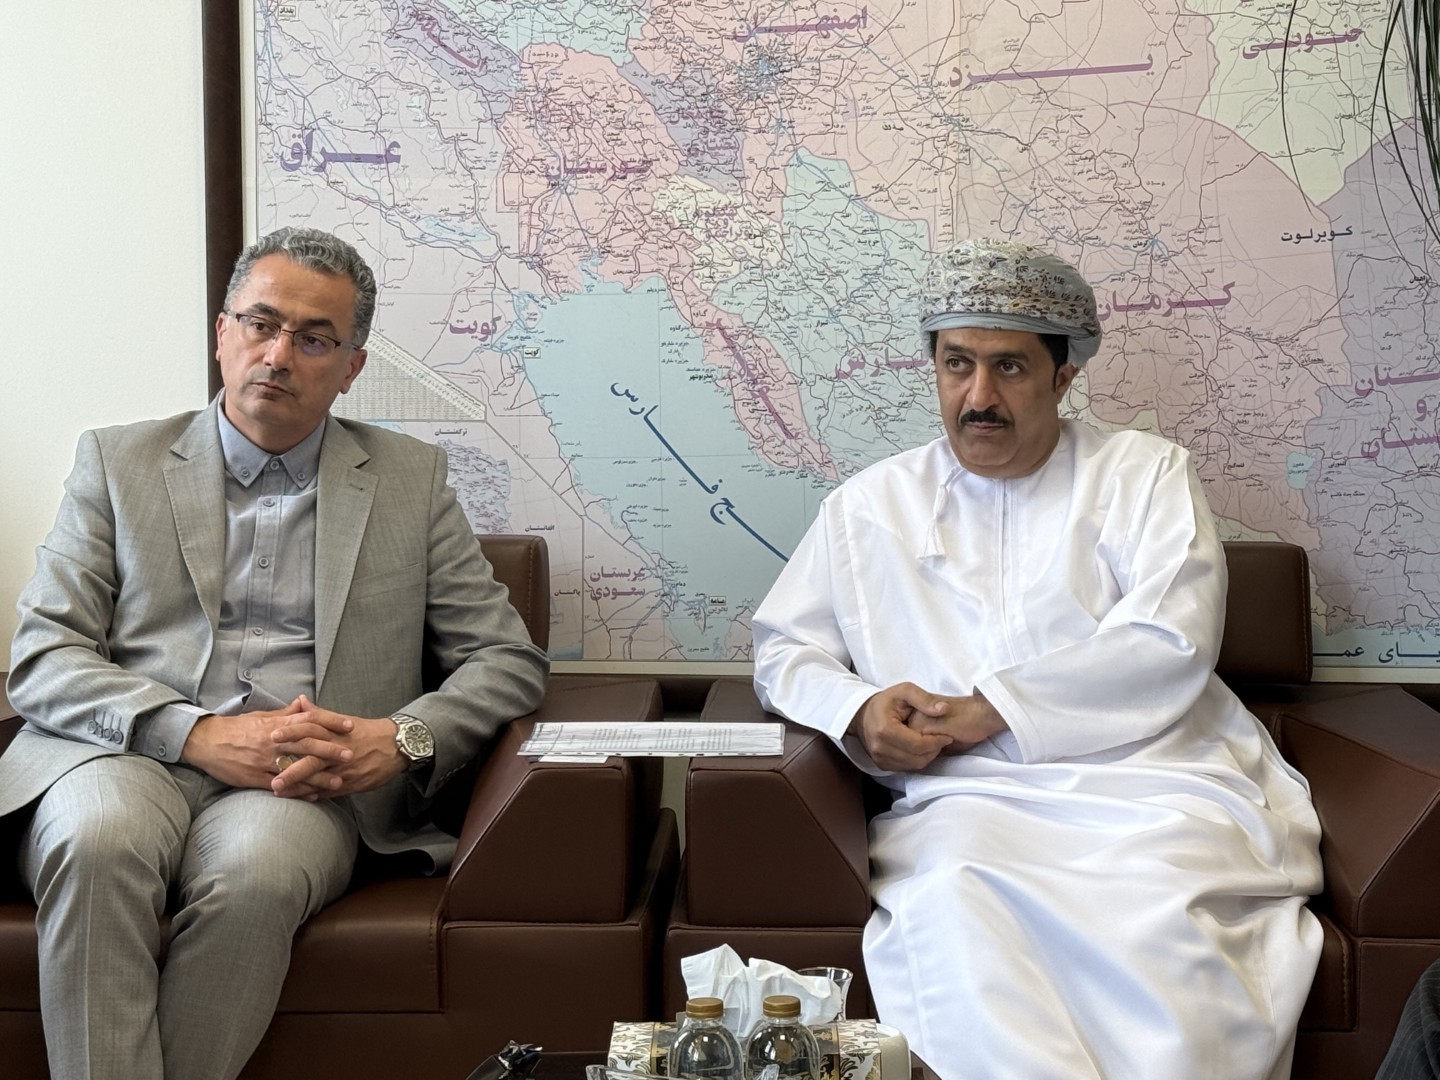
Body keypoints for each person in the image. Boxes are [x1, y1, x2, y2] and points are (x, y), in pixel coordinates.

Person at [751, 238, 1323, 1079]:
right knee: (954, 902)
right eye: (957, 364)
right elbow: (783, 648)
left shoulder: (1144, 475)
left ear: (1063, 376)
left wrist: (991, 709)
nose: (978, 397)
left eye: (1010, 367)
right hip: (969, 798)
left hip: (1156, 787)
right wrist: (858, 710)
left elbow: (1172, 638)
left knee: (1165, 919)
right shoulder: (867, 505)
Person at [1, 227, 549, 1080]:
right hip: (121, 755)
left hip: (304, 783)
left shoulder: (411, 480)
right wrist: (194, 733)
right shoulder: (115, 462)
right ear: (223, 332)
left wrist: (399, 738)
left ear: (352, 367)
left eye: (314, 339)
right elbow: (43, 656)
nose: (278, 355)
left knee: (256, 878)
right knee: (98, 843)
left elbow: (507, 660)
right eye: (261, 324)